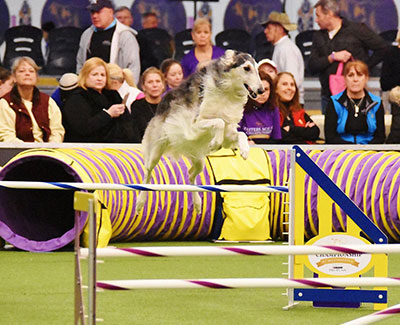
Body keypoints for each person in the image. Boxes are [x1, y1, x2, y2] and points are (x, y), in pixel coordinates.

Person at [309, 0, 388, 114]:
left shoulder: (357, 30)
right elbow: (312, 65)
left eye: (318, 16)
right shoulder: (318, 36)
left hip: (355, 96)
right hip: (327, 95)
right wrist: (332, 57)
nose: (316, 20)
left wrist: (363, 67)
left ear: (329, 14)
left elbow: (383, 48)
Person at [63, 57, 136, 143]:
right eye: (94, 75)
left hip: (117, 147)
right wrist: (108, 114)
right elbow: (83, 128)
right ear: (85, 76)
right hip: (87, 149)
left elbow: (128, 123)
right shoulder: (76, 98)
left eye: (102, 75)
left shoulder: (113, 95)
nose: (99, 78)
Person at [0, 57, 64, 143]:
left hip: (47, 152)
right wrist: (30, 152)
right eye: (22, 71)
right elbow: (6, 136)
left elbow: (57, 131)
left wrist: (48, 149)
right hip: (18, 153)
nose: (27, 74)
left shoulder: (48, 101)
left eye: (31, 71)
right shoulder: (5, 103)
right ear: (14, 77)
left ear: (37, 77)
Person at [76, 0, 141, 84]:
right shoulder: (86, 34)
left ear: (110, 12)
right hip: (89, 91)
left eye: (98, 12)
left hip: (116, 90)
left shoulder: (125, 35)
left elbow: (133, 69)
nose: (95, 16)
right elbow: (80, 64)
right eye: (92, 12)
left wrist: (127, 93)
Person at [325, 60, 385, 144]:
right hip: (341, 152)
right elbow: (330, 137)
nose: (355, 79)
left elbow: (380, 137)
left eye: (360, 75)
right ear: (345, 78)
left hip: (369, 152)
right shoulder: (335, 102)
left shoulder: (376, 103)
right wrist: (351, 149)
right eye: (351, 75)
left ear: (366, 78)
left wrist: (364, 150)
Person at [262, 11, 304, 105]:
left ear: (280, 29)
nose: (265, 31)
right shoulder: (281, 47)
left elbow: (292, 79)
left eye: (269, 28)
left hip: (290, 103)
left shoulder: (286, 49)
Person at [275, 72, 320, 144]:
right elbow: (279, 137)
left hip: (305, 152)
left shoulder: (299, 110)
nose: (289, 88)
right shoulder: (271, 111)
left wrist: (291, 129)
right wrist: (303, 132)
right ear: (275, 89)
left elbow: (314, 133)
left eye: (292, 85)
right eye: (284, 84)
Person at [238, 72, 281, 144]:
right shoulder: (240, 109)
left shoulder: (273, 109)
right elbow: (235, 137)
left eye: (266, 89)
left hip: (269, 151)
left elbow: (277, 139)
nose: (262, 93)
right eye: (258, 89)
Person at [131, 67, 165, 141]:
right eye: (150, 82)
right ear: (143, 87)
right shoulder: (137, 106)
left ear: (163, 85)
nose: (155, 85)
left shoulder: (169, 105)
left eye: (158, 81)